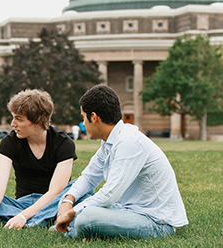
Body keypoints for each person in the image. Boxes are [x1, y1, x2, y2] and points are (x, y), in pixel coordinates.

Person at [55, 85, 188, 239]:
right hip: (124, 210)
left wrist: (72, 213)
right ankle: (74, 224)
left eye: (83, 117)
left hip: (155, 222)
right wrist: (68, 201)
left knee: (86, 217)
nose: (83, 123)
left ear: (94, 117)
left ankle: (73, 227)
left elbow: (110, 194)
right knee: (72, 195)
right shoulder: (110, 141)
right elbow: (89, 177)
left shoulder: (128, 142)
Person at [0, 89, 91, 229]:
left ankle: (29, 220)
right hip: (21, 204)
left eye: (19, 119)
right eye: (13, 117)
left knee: (84, 186)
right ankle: (46, 219)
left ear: (38, 121)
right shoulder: (9, 142)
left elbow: (56, 191)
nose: (13, 124)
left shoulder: (63, 143)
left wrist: (22, 216)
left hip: (53, 202)